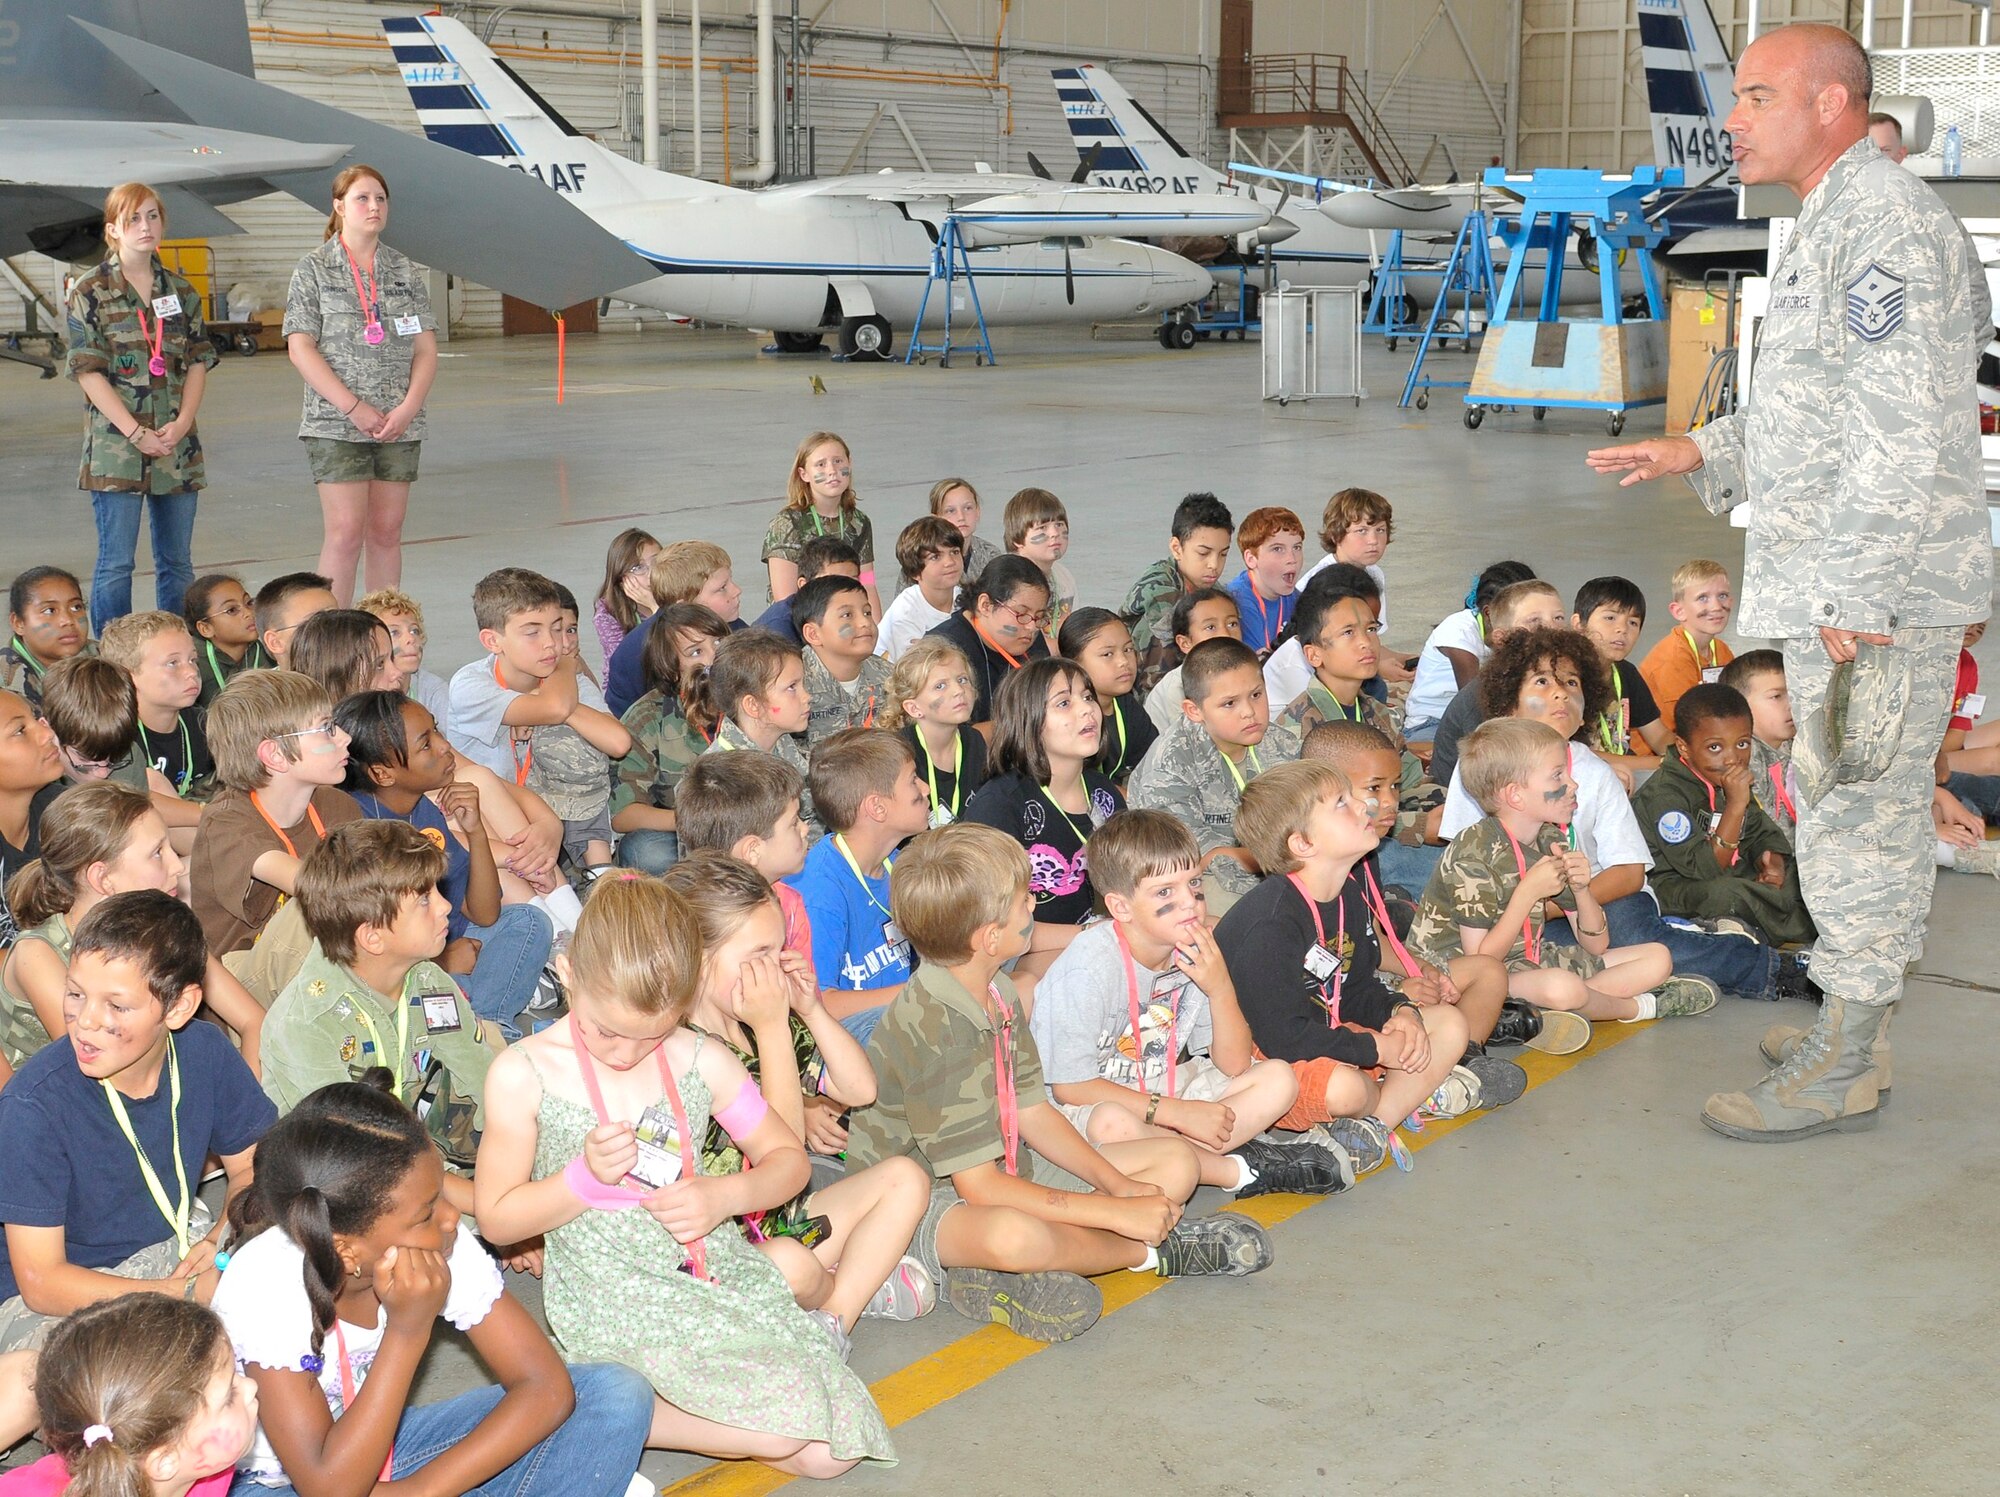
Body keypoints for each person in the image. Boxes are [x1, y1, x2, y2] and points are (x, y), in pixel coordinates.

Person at [1588, 21, 1991, 1139]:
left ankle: (1842, 1059)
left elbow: (1897, 439)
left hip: (1875, 598)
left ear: (1827, 105)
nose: (1730, 118)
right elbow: (1810, 415)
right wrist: (1700, 451)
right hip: (1849, 589)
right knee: (1840, 809)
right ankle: (1849, 1028)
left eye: (1755, 95)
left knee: (1858, 821)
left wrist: (1856, 602)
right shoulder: (1830, 218)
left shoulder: (1882, 232)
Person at [470, 877, 896, 1476]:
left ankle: (622, 1404)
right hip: (610, 1298)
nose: (626, 1053)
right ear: (568, 975)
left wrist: (726, 1194)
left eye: (652, 1035)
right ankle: (600, 1403)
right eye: (608, 1031)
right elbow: (496, 1216)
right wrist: (581, 1183)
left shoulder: (698, 1057)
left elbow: (789, 1161)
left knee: (832, 1455)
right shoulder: (523, 1073)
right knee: (780, 1437)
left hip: (706, 1274)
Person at [845, 823, 1273, 1344]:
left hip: (1005, 1160)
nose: (1035, 904)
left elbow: (1034, 1111)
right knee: (1014, 1235)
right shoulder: (938, 1028)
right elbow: (977, 1188)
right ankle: (1151, 1252)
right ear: (990, 938)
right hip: (916, 1203)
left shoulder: (996, 988)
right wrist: (1117, 1212)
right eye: (1024, 899)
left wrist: (1120, 1187)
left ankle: (1004, 1274)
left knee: (1175, 1163)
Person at [213, 1078, 656, 1496]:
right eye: (426, 1212)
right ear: (346, 1251)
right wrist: (408, 1331)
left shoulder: (437, 1240)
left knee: (615, 1396)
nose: (451, 1219)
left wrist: (420, 1491)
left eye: (441, 1191)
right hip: (277, 1483)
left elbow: (545, 1386)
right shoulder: (266, 1286)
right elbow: (328, 1486)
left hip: (387, 1457)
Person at [663, 854, 933, 1342]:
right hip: (713, 1253)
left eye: (780, 948)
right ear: (700, 960)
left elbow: (859, 1089)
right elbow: (782, 1164)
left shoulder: (757, 1020)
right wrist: (771, 1029)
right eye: (760, 952)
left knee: (904, 1179)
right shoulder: (680, 1051)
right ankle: (843, 1285)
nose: (776, 964)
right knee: (790, 1264)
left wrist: (811, 1010)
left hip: (779, 1225)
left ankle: (832, 1320)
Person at [0, 892, 274, 1353]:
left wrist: (224, 1235)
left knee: (301, 1255)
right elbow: (41, 1282)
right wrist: (182, 1294)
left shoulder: (204, 1052)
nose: (85, 1021)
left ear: (179, 1008)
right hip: (66, 1294)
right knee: (135, 1374)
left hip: (174, 1244)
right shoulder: (31, 1107)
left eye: (116, 1006)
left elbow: (254, 1167)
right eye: (75, 993)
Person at [1029, 809, 1352, 1196]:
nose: (1191, 903)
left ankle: (1185, 1157)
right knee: (1112, 1123)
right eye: (1165, 892)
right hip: (1089, 1111)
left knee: (1277, 1078)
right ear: (1120, 907)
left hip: (1161, 1094)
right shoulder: (1088, 969)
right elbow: (1069, 1088)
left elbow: (1231, 1064)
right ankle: (1239, 1169)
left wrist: (1219, 989)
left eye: (1194, 883)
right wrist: (1178, 1114)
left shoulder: (1194, 948)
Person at [1214, 760, 1486, 1175]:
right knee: (1346, 1090)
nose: (1366, 806)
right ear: (1303, 843)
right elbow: (1283, 1039)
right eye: (1342, 803)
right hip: (1266, 1060)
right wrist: (1378, 1049)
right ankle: (1409, 1093)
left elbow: (1357, 988)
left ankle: (1372, 1128)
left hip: (1329, 1033)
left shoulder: (1347, 893)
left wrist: (1401, 1012)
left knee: (1447, 1022)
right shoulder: (1271, 922)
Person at [1409, 720, 1706, 1027]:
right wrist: (1528, 893)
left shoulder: (1550, 840)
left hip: (1531, 962)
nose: (1573, 785)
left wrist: (1581, 890)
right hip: (1461, 975)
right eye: (1557, 776)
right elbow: (1481, 961)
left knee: (1657, 957)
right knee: (1561, 987)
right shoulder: (1473, 855)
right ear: (1515, 796)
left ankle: (1534, 1015)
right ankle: (1635, 1007)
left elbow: (1595, 945)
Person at [257, 820, 499, 1177]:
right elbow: (353, 1162)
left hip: (421, 1147)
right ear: (373, 938)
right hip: (340, 1184)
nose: (446, 906)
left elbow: (479, 1074)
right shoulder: (306, 1024)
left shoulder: (428, 980)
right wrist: (479, 1203)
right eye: (423, 900)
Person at [1298, 720, 1522, 1090]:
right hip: (1335, 1000)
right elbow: (1325, 978)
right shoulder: (1317, 869)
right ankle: (1439, 1067)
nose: (1389, 801)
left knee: (1487, 971)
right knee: (1432, 1011)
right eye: (1374, 788)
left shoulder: (1364, 852)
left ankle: (1462, 1059)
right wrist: (1396, 997)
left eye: (1395, 786)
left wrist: (1418, 969)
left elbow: (1370, 939)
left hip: (1366, 979)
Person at [2, 782, 266, 1075]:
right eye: (157, 852)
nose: (177, 866)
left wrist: (247, 1103)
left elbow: (252, 1020)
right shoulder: (38, 956)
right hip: (67, 1109)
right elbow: (101, 1074)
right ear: (103, 878)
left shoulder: (161, 930)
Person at [336, 693, 558, 1037]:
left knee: (528, 922)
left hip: (452, 938)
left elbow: (484, 914)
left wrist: (476, 830)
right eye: (426, 744)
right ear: (382, 773)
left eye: (436, 732)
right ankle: (485, 1028)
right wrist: (439, 961)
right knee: (427, 988)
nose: (444, 746)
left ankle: (481, 1024)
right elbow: (366, 953)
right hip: (402, 966)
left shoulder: (422, 810)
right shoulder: (360, 828)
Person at [64, 183, 216, 632]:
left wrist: (182, 422)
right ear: (112, 229)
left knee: (177, 563)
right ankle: (113, 663)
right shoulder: (90, 291)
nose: (145, 227)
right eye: (133, 219)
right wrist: (134, 432)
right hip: (117, 450)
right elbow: (89, 372)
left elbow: (197, 361)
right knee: (116, 563)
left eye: (152, 217)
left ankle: (177, 654)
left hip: (175, 446)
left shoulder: (182, 292)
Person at [283, 164, 438, 604]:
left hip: (399, 423)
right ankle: (331, 640)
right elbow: (300, 348)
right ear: (339, 207)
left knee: (387, 533)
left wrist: (407, 409)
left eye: (380, 199)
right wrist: (354, 407)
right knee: (346, 534)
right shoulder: (314, 269)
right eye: (362, 198)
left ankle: (382, 633)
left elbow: (426, 350)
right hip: (335, 424)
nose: (374, 206)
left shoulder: (404, 270)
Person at [448, 569, 631, 871]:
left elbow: (618, 743)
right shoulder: (470, 684)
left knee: (579, 758)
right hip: (485, 821)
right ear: (492, 640)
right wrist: (565, 670)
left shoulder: (564, 683)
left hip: (546, 811)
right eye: (532, 632)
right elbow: (557, 707)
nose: (551, 643)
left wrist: (552, 701)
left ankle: (599, 873)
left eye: (557, 628)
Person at [1275, 567, 1443, 891]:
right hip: (1328, 855)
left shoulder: (1378, 712)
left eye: (1371, 629)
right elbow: (1304, 825)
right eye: (1349, 633)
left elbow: (1409, 783)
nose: (1367, 642)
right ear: (1314, 654)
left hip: (1378, 829)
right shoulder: (1295, 730)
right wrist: (1419, 826)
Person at [0, 1296, 256, 1497]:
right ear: (165, 1461)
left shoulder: (202, 1465)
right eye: (229, 1396)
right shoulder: (202, 1464)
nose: (251, 1386)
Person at [963, 660, 1123, 975]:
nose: (1087, 710)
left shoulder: (1104, 793)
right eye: (1064, 703)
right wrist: (1097, 935)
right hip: (1016, 955)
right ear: (1029, 722)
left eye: (1088, 697)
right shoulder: (999, 806)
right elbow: (989, 927)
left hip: (1100, 936)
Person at [187, 671, 363, 958]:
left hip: (315, 970)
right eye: (327, 727)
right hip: (246, 982)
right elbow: (311, 884)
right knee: (307, 910)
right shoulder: (226, 822)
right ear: (275, 755)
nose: (345, 737)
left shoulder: (337, 805)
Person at [1632, 684, 1815, 947]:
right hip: (1676, 886)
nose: (1733, 759)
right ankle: (1805, 929)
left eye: (1742, 744)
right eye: (1715, 747)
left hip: (1732, 871)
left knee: (1806, 870)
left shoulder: (1723, 777)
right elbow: (1704, 869)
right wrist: (1736, 805)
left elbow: (1761, 831)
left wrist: (1772, 863)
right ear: (1683, 748)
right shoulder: (1665, 796)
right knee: (1726, 894)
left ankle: (1773, 922)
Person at [1128, 637, 1301, 909]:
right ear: (1194, 711)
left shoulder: (1282, 743)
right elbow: (1196, 857)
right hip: (1188, 879)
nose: (1249, 712)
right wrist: (1294, 854)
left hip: (1279, 863)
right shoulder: (1170, 763)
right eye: (1230, 703)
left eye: (1256, 695)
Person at [784, 730, 932, 1044]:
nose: (926, 788)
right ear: (877, 808)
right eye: (913, 780)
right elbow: (817, 1004)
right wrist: (924, 991)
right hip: (842, 1037)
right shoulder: (818, 892)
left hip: (898, 1013)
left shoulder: (897, 862)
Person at [607, 603, 730, 873]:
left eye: (720, 642)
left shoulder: (752, 698)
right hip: (685, 831)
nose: (715, 657)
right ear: (672, 670)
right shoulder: (647, 718)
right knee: (644, 851)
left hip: (756, 822)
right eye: (696, 651)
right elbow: (623, 815)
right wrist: (694, 821)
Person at [1425, 580, 1570, 791]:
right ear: (1502, 639)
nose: (1551, 628)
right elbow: (1496, 775)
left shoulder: (1559, 683)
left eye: (1558, 618)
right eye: (1534, 620)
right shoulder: (1485, 695)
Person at [700, 630, 818, 835]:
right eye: (792, 687)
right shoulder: (715, 784)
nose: (807, 696)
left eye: (802, 684)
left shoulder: (786, 747)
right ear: (753, 706)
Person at [1403, 561, 1536, 742]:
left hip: (1485, 720)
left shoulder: (1519, 631)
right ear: (1489, 613)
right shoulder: (1458, 632)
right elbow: (1474, 705)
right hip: (1432, 723)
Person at [606, 542, 743, 718]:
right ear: (686, 605)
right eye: (722, 588)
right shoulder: (633, 656)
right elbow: (626, 727)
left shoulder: (737, 630)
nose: (737, 590)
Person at [1123, 492, 1233, 698]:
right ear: (1176, 548)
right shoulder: (1159, 587)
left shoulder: (1214, 591)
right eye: (1203, 553)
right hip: (1144, 689)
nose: (1214, 565)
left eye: (1223, 554)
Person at [922, 557, 1052, 727]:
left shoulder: (1027, 634)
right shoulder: (942, 649)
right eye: (1021, 614)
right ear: (985, 605)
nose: (1032, 627)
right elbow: (949, 735)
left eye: (1039, 617)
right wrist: (1024, 725)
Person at [763, 432, 881, 618]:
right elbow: (784, 598)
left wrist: (874, 626)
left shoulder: (858, 522)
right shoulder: (787, 523)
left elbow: (867, 581)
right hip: (800, 625)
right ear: (804, 474)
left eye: (838, 461)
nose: (832, 470)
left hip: (846, 619)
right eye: (821, 464)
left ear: (849, 463)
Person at [98, 613, 212, 799]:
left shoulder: (204, 724)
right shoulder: (113, 737)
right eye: (172, 663)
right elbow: (132, 806)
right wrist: (205, 813)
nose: (191, 672)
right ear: (126, 675)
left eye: (193, 660)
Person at [879, 640, 986, 829]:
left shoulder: (974, 741)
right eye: (940, 686)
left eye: (962, 680)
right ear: (914, 708)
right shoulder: (897, 755)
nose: (959, 691)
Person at [1572, 576, 1669, 773]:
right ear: (1579, 624)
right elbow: (1576, 753)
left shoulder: (1626, 672)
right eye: (1610, 618)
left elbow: (1658, 736)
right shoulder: (1568, 678)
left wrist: (1689, 756)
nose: (1622, 629)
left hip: (1624, 773)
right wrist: (1662, 764)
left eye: (1633, 622)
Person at [1634, 560, 1736, 730]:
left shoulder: (1720, 650)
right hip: (1664, 750)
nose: (1717, 606)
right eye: (1702, 598)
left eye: (1723, 596)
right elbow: (1686, 727)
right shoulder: (1671, 660)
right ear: (1678, 611)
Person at [1058, 608, 1156, 785]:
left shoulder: (1125, 704)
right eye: (1107, 654)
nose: (1124, 661)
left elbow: (1155, 759)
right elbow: (1077, 783)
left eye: (1128, 649)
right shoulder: (1065, 718)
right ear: (1073, 664)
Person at [795, 575, 891, 745]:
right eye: (847, 615)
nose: (865, 622)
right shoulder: (792, 685)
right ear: (813, 634)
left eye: (867, 612)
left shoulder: (890, 678)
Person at [1721, 649, 1798, 841]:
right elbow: (1769, 837)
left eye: (1794, 693)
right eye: (1776, 697)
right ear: (1740, 706)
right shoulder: (1745, 759)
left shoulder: (1798, 744)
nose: (1791, 704)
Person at [1143, 586, 1241, 733]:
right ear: (1185, 643)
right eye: (1210, 627)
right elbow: (1193, 744)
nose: (1225, 634)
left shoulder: (1244, 673)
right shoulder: (1176, 689)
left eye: (1232, 624)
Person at [355, 587, 450, 736]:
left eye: (415, 631)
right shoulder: (359, 691)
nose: (410, 639)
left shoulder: (435, 692)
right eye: (394, 632)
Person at [875, 519, 964, 663]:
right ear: (915, 572)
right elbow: (915, 669)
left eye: (954, 552)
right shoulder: (905, 614)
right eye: (935, 557)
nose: (950, 562)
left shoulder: (965, 599)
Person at [4, 569, 94, 709]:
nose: (67, 620)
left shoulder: (109, 656)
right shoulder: (8, 689)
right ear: (18, 623)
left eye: (76, 607)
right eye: (49, 611)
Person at [1224, 506, 1304, 659]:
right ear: (1251, 559)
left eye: (1297, 547)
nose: (1292, 559)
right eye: (1278, 549)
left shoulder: (1296, 599)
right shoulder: (1236, 603)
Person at [749, 538, 861, 644]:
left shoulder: (856, 615)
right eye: (832, 582)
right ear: (804, 585)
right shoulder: (779, 628)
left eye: (852, 582)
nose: (845, 590)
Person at [184, 576, 271, 709]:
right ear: (206, 628)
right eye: (231, 610)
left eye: (249, 603)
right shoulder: (193, 665)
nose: (248, 613)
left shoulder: (268, 654)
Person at [1002, 488, 1077, 641]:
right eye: (1042, 528)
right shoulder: (1008, 581)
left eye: (1059, 524)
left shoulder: (1063, 576)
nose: (1055, 533)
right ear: (1018, 538)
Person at [592, 527, 662, 667]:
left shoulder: (676, 594)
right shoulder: (608, 614)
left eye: (656, 562)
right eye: (638, 568)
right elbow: (631, 665)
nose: (651, 573)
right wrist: (655, 609)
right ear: (621, 577)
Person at [912, 478, 1000, 588]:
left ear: (978, 512)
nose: (961, 517)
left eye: (968, 508)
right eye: (951, 511)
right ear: (936, 518)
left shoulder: (991, 554)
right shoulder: (921, 557)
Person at [250, 574, 335, 672]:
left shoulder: (353, 680)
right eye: (316, 623)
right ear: (275, 642)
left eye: (339, 619)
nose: (335, 630)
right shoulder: (260, 687)